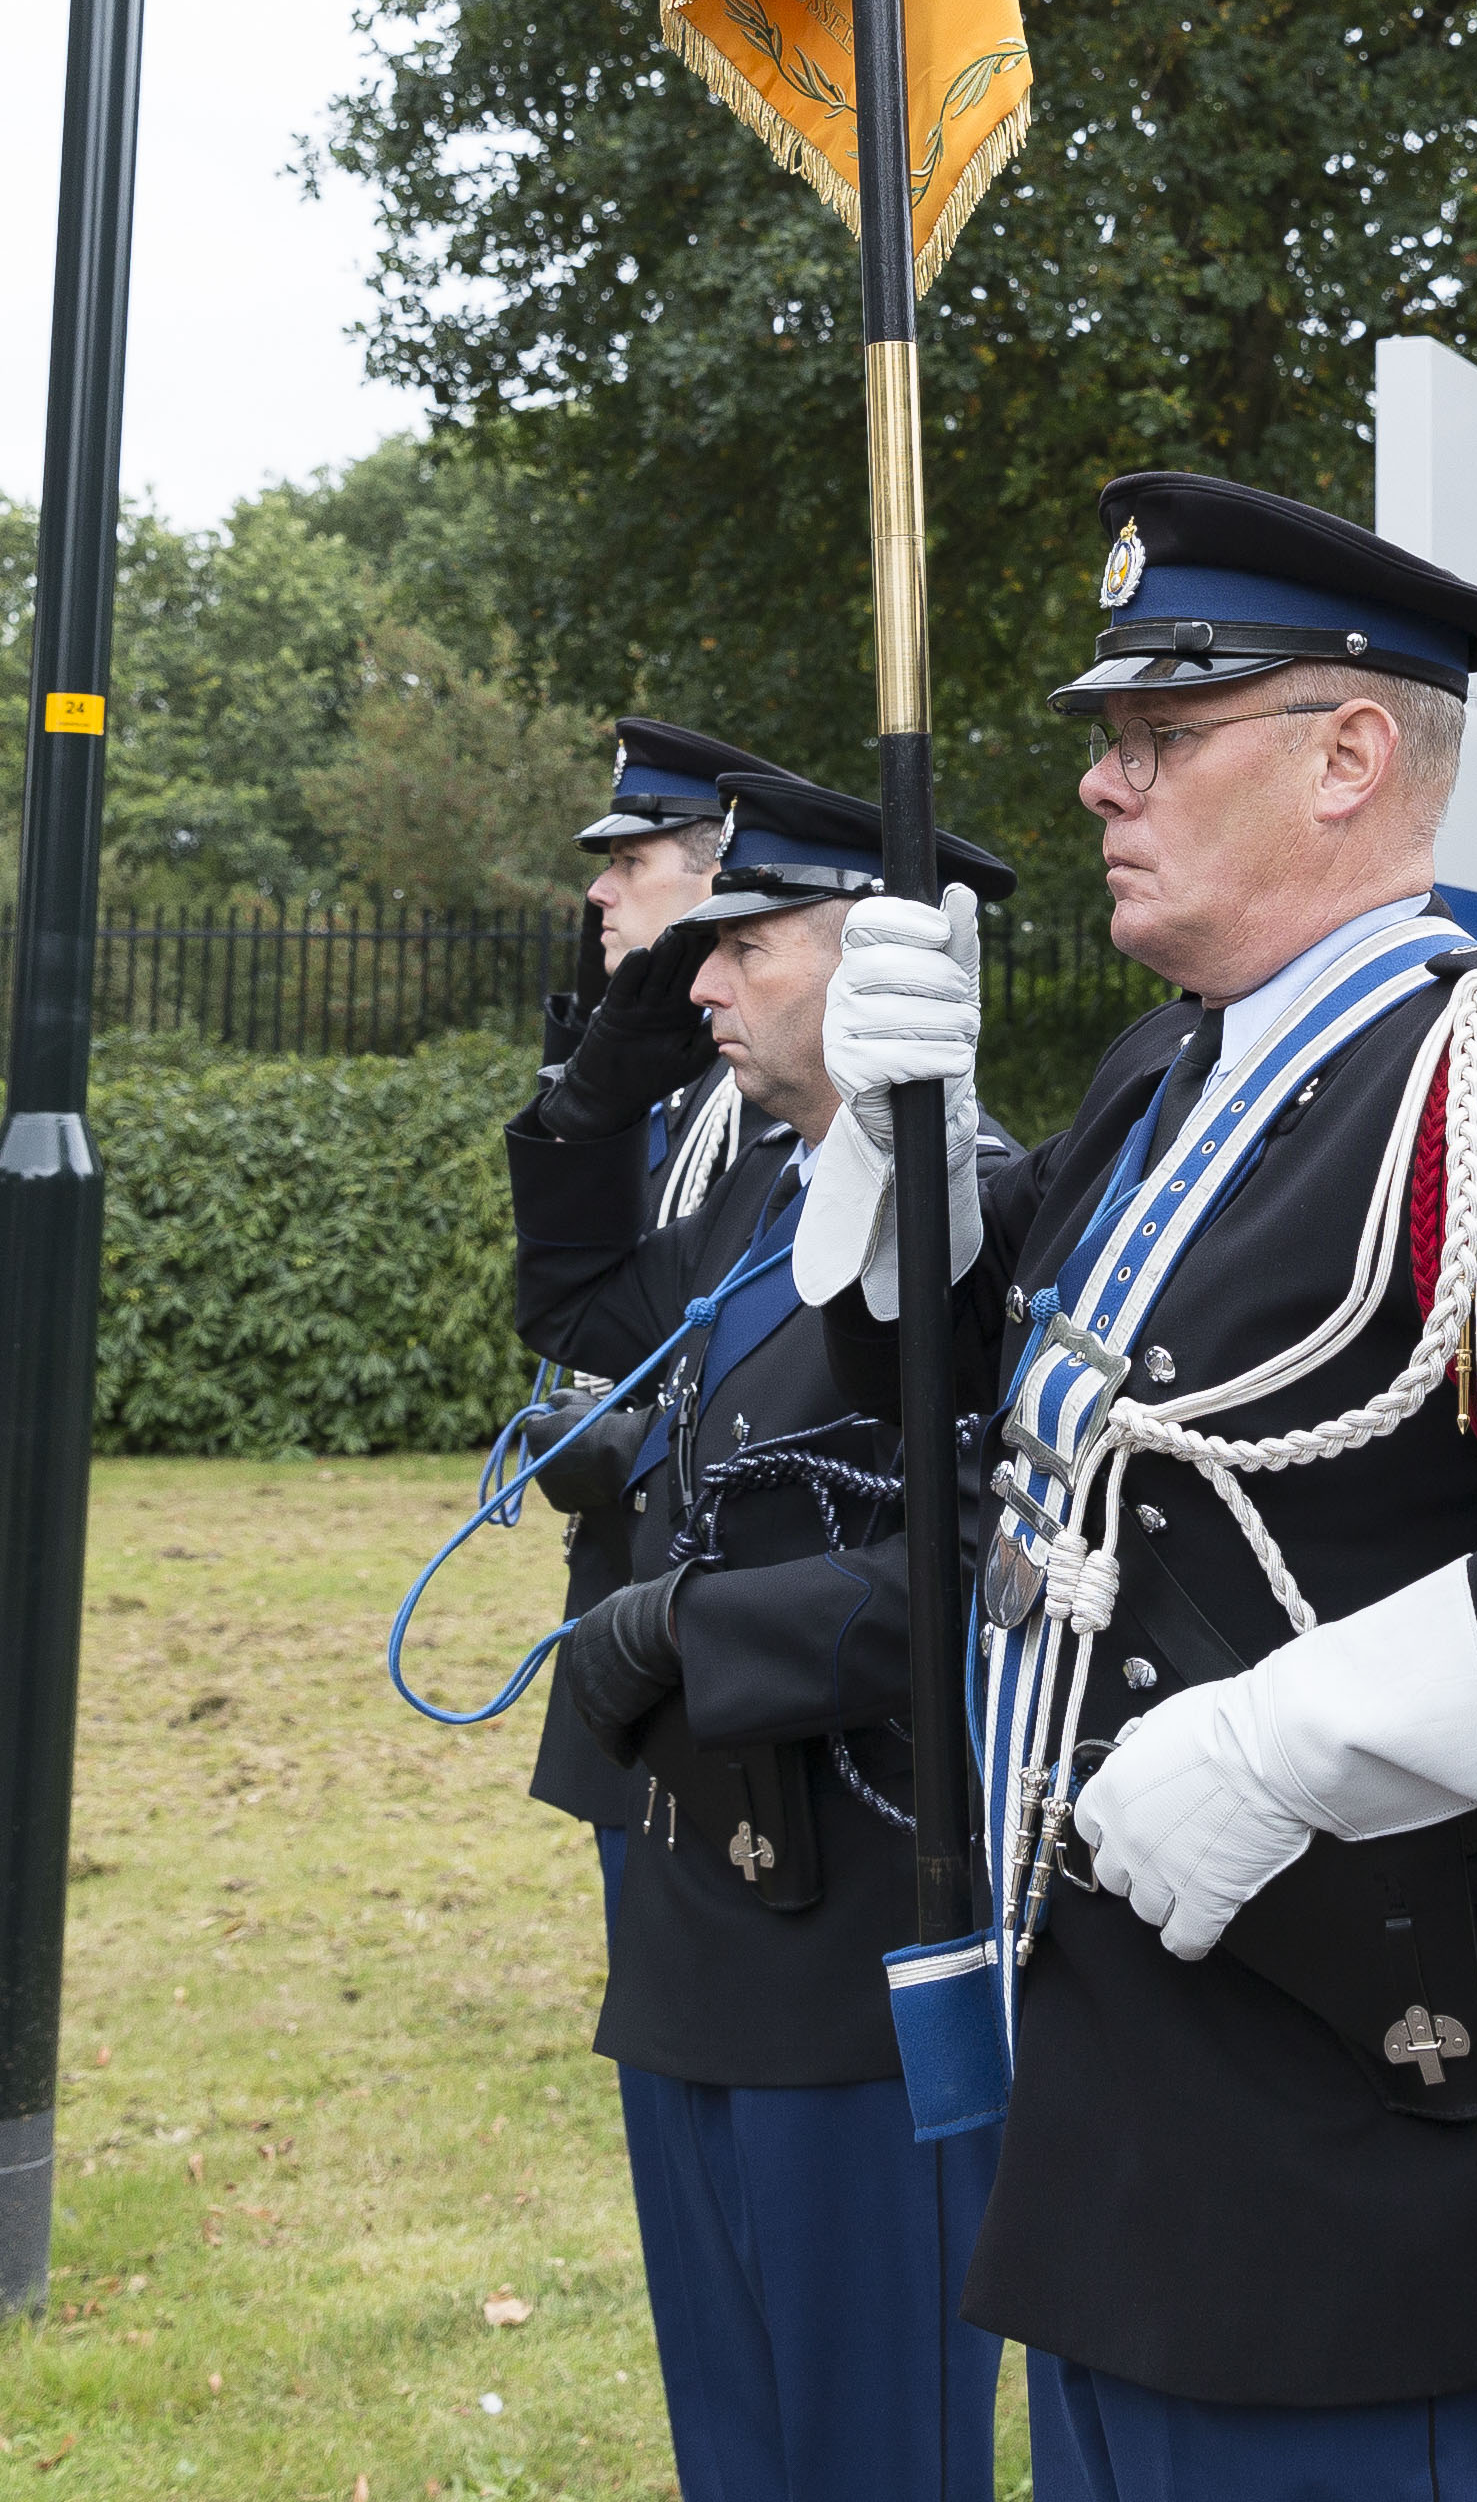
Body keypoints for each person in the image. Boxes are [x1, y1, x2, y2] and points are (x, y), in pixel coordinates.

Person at [887, 472, 1477, 2502]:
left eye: (1155, 737)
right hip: (1140, 2111)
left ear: (1351, 756)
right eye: (1105, 745)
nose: (1103, 791)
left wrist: (1314, 1738)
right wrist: (908, 1155)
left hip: (1362, 2128)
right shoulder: (1167, 1072)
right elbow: (1048, 1435)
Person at [512, 767, 1020, 2502]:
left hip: (856, 1926)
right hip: (700, 1903)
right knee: (733, 2422)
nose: (702, 986)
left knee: (869, 2433)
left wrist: (696, 1631)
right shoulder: (756, 1202)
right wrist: (590, 1103)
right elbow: (588, 1320)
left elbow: (992, 1578)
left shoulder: (980, 1217)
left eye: (746, 945)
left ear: (885, 957)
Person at [512, 719, 803, 1846]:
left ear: (718, 885)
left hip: (704, 1591)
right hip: (626, 1572)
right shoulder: (666, 1080)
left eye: (632, 864)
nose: (599, 891)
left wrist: (638, 1436)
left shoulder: (771, 1099)